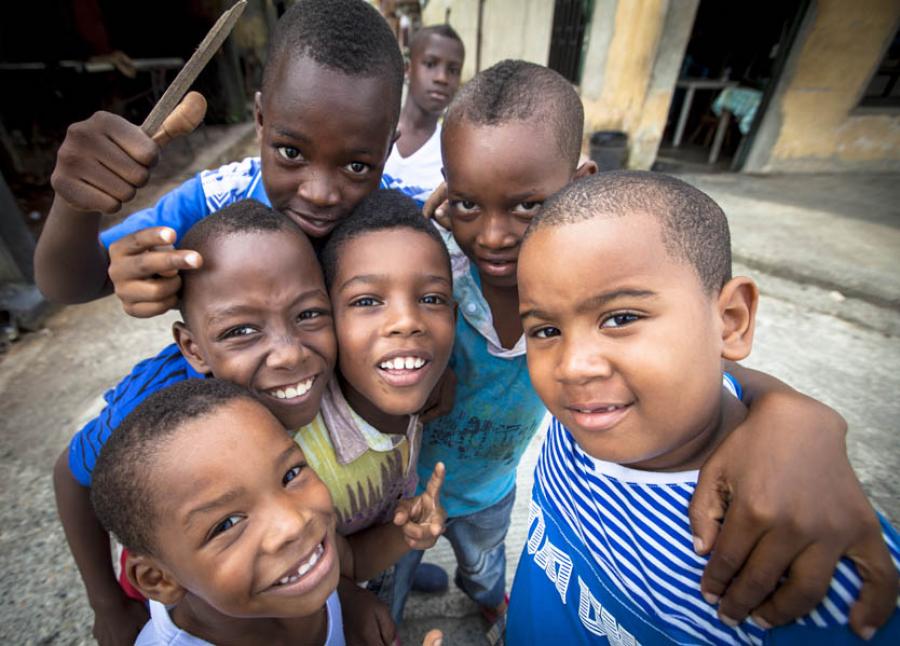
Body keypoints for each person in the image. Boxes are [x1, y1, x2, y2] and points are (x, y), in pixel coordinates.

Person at [395, 59, 896, 638]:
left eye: (622, 318)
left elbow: (711, 367)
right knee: (398, 571)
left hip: (492, 491)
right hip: (414, 490)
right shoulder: (573, 421)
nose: (494, 234)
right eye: (546, 332)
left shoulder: (602, 414)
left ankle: (490, 604)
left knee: (484, 568)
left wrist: (797, 414)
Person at [507, 171, 900, 644]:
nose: (572, 367)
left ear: (731, 321)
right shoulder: (583, 422)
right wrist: (793, 407)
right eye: (545, 330)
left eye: (621, 318)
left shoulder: (804, 557)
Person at [54, 201, 416, 645]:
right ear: (194, 349)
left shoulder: (322, 361)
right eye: (240, 331)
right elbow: (71, 476)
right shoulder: (153, 418)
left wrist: (340, 590)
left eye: (308, 314)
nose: (289, 353)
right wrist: (107, 603)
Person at [34, 0, 404, 319]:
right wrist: (75, 204)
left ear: (388, 150)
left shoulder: (406, 221)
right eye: (291, 153)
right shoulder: (214, 201)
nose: (320, 193)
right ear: (260, 120)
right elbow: (69, 284)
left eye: (356, 166)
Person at [90, 378, 443, 645]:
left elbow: (348, 564)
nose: (292, 523)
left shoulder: (297, 564)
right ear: (159, 579)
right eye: (227, 523)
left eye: (290, 474)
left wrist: (405, 534)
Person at [298, 189, 456, 538]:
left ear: (455, 316)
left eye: (431, 298)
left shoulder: (424, 386)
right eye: (367, 300)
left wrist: (408, 534)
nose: (406, 321)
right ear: (327, 318)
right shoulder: (298, 453)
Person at [383, 25, 464, 205]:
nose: (442, 78)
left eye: (453, 70)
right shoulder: (373, 132)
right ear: (407, 69)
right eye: (430, 64)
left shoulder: (454, 153)